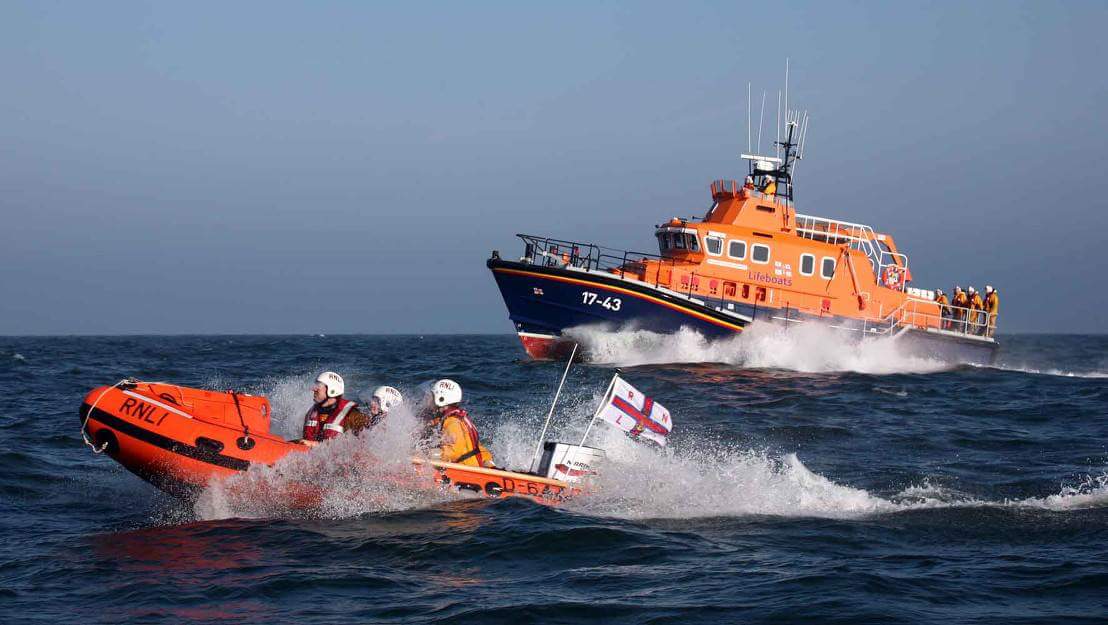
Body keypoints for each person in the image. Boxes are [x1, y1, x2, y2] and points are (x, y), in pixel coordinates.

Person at [425, 379, 495, 468]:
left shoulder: (452, 422)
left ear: (441, 399)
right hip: (472, 465)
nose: (429, 401)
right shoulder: (457, 418)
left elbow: (453, 453)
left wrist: (427, 454)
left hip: (465, 471)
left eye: (432, 397)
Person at [298, 371, 369, 447]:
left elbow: (363, 446)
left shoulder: (353, 415)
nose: (313, 389)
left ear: (332, 390)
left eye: (318, 386)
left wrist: (317, 445)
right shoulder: (311, 413)